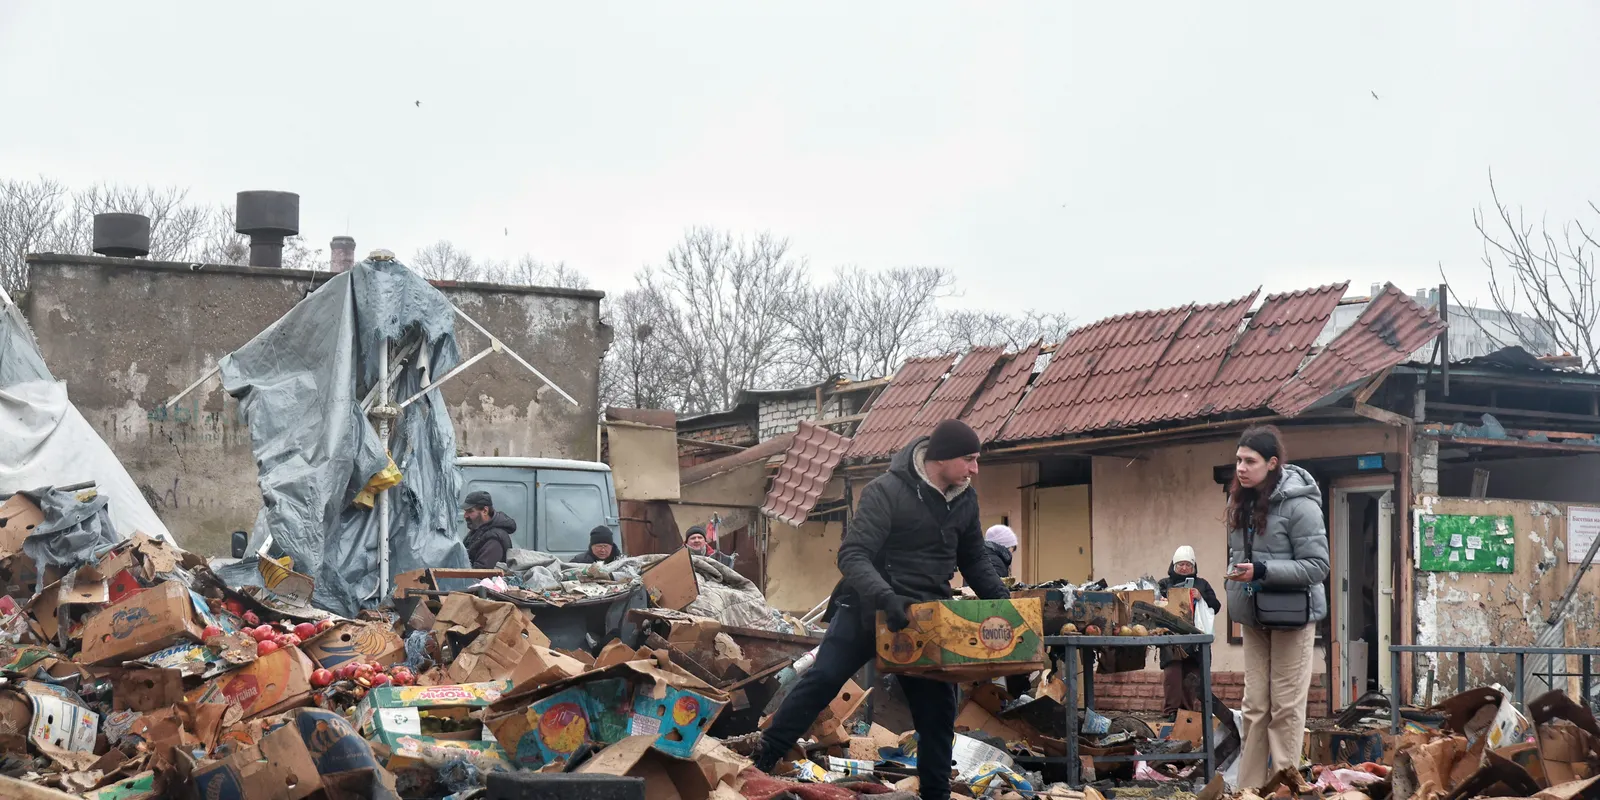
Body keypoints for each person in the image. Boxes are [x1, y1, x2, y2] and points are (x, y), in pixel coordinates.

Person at [755, 420, 1009, 800]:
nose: (975, 469)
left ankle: (935, 795)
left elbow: (973, 559)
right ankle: (762, 759)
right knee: (823, 679)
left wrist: (1006, 606)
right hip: (867, 607)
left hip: (924, 619)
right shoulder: (886, 491)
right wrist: (886, 596)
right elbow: (853, 555)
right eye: (969, 459)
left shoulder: (965, 500)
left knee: (938, 711)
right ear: (942, 458)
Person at [1224, 425, 1328, 789]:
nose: (1241, 468)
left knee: (1285, 707)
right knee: (1254, 706)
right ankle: (1249, 791)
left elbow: (1318, 566)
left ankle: (1284, 786)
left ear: (1271, 463)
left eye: (1249, 461)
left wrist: (1263, 571)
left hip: (1292, 617)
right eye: (1238, 460)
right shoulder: (1239, 501)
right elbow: (1240, 554)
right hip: (1253, 615)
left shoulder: (1301, 504)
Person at [1155, 545, 1222, 717]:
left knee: (1191, 679)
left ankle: (1187, 716)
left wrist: (1201, 597)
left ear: (1194, 567)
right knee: (1172, 677)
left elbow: (1216, 606)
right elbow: (1154, 605)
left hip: (1195, 641)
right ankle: (1171, 714)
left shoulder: (1202, 584)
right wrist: (1163, 601)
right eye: (1180, 565)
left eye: (1188, 565)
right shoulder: (1164, 584)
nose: (1184, 568)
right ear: (1174, 566)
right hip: (1171, 640)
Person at [983, 524, 1031, 701]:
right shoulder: (995, 561)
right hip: (992, 619)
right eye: (1012, 547)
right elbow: (995, 590)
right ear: (1004, 546)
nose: (1012, 552)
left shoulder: (982, 556)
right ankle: (1009, 698)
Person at [462, 491, 515, 569]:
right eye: (465, 511)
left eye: (470, 511)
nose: (465, 516)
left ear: (485, 511)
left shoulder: (495, 538)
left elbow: (482, 572)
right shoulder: (477, 532)